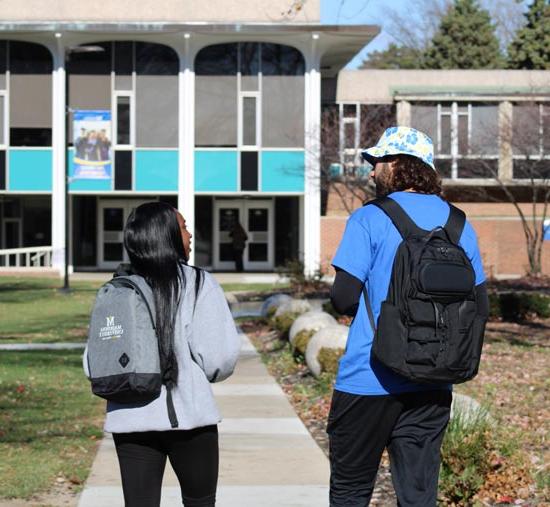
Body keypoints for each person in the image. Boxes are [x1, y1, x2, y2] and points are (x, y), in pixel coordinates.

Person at [327, 127, 489, 506]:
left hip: (369, 377)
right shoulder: (460, 224)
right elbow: (479, 306)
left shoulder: (368, 218)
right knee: (418, 496)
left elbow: (343, 297)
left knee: (351, 491)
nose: (370, 171)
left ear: (399, 164)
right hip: (433, 380)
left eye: (377, 162)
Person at [84, 201, 241, 507]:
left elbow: (93, 362)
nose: (190, 234)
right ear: (165, 235)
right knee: (200, 502)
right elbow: (219, 358)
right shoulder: (198, 283)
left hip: (129, 419)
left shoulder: (117, 289)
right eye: (183, 227)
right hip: (190, 420)